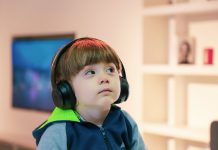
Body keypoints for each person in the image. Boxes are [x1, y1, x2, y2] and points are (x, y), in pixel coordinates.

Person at [32, 37, 146, 150]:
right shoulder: (58, 132)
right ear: (66, 88)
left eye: (110, 70)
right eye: (90, 72)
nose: (104, 78)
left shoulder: (125, 121)